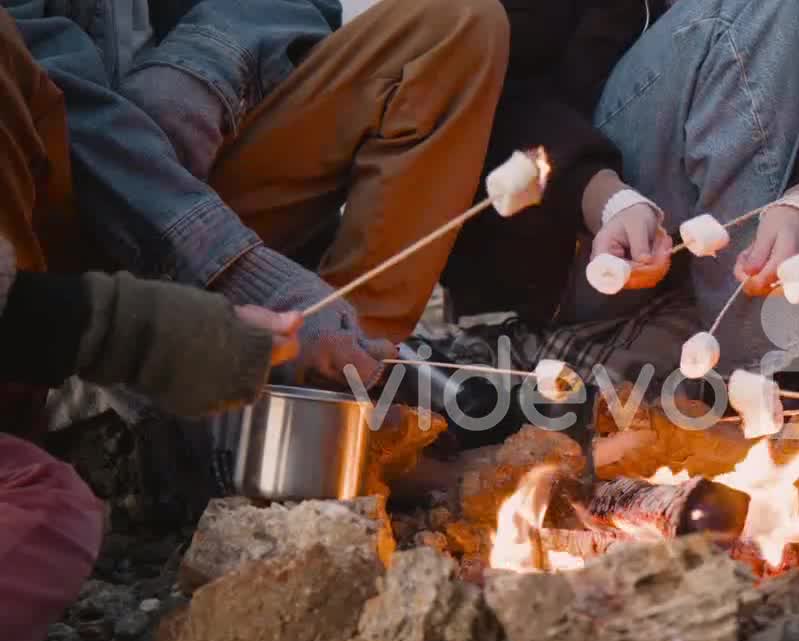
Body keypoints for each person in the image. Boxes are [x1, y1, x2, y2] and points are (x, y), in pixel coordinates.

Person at [443, 0, 799, 385]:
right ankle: (759, 372)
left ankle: (655, 357)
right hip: (572, 240)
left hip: (738, 242)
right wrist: (606, 196)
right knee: (770, 10)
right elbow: (499, 94)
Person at [0, 6, 299, 641]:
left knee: (453, 23)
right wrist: (184, 325)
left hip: (195, 142)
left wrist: (208, 60)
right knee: (49, 507)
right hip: (106, 190)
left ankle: (363, 398)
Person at [3, 0, 508, 393]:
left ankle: (339, 388)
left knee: (458, 26)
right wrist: (243, 272)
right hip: (43, 218)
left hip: (204, 167)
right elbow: (28, 66)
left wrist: (203, 67)